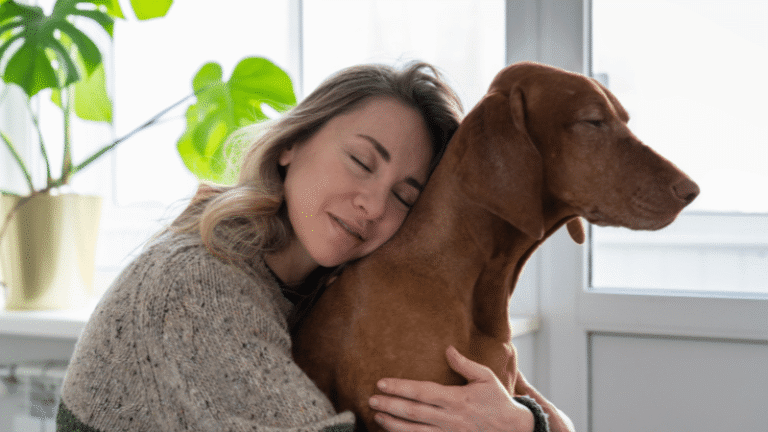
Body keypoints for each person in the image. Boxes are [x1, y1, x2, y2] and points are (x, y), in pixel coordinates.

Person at [56, 62, 550, 432]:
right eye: (361, 161)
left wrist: (524, 424)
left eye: (404, 196)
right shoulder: (199, 283)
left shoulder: (326, 287)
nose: (374, 205)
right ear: (292, 144)